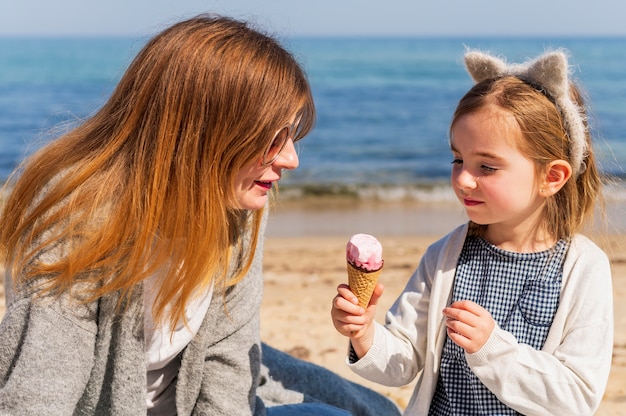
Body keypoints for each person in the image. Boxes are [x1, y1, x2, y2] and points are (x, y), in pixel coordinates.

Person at [0, 14, 401, 416]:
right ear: (204, 131)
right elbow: (38, 393)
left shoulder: (236, 205)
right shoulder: (74, 218)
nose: (291, 160)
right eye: (272, 137)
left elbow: (226, 358)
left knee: (380, 410)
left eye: (291, 136)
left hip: (192, 392)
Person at [331, 49, 613, 415]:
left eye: (486, 166)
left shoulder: (584, 268)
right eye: (457, 159)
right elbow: (403, 361)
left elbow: (575, 398)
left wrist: (492, 348)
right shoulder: (445, 257)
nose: (463, 178)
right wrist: (364, 334)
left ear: (551, 177)